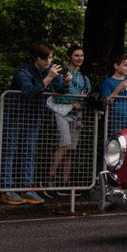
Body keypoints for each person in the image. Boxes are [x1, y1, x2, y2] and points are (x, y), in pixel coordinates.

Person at [0, 44, 70, 206]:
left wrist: (65, 82)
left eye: (51, 57)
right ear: (36, 58)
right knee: (10, 151)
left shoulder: (50, 70)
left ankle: (27, 188)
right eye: (45, 58)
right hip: (15, 115)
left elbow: (60, 90)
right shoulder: (23, 71)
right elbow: (28, 92)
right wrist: (48, 79)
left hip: (33, 116)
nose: (48, 61)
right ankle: (6, 189)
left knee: (29, 151)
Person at [46, 45, 91, 188]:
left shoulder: (84, 78)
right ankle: (50, 179)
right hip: (62, 113)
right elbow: (58, 94)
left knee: (71, 149)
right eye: (76, 55)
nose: (80, 58)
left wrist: (79, 102)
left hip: (76, 115)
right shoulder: (61, 73)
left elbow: (85, 96)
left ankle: (65, 182)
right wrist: (73, 102)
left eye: (82, 55)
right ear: (69, 57)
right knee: (65, 145)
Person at [102, 55, 127, 137]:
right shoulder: (108, 82)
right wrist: (119, 88)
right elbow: (107, 101)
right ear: (116, 66)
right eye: (125, 65)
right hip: (116, 121)